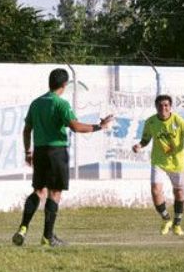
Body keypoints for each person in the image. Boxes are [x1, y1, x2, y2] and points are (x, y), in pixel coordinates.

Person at [12, 69, 113, 247]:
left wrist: (28, 152)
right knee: (55, 192)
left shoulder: (36, 103)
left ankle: (23, 228)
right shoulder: (61, 104)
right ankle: (47, 237)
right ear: (65, 84)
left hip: (39, 151)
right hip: (56, 152)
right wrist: (100, 126)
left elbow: (27, 130)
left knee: (38, 191)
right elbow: (75, 127)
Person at [132, 94, 184, 236]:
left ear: (170, 107)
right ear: (156, 107)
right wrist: (139, 146)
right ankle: (166, 219)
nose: (163, 108)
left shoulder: (179, 121)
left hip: (177, 162)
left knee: (179, 192)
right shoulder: (150, 122)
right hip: (159, 161)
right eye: (160, 105)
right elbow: (145, 139)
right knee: (155, 190)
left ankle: (177, 224)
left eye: (166, 105)